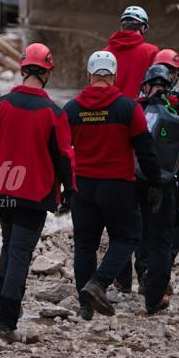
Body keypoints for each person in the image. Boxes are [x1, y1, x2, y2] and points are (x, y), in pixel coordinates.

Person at [0, 43, 75, 342]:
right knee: (19, 254)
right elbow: (64, 157)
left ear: (23, 69)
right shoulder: (54, 112)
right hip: (35, 195)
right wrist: (70, 191)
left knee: (10, 246)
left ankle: (5, 307)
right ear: (48, 73)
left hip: (5, 190)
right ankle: (5, 322)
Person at [63, 51, 161, 319]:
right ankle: (98, 283)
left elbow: (61, 151)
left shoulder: (72, 109)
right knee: (127, 236)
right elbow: (146, 150)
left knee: (85, 245)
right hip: (117, 185)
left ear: (89, 76)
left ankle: (85, 306)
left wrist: (63, 187)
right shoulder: (128, 108)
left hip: (82, 185)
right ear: (115, 77)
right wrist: (155, 182)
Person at [131, 65, 179, 313]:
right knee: (162, 240)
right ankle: (154, 297)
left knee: (138, 232)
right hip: (165, 185)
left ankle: (139, 275)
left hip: (136, 182)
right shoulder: (177, 113)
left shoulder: (137, 109)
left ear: (146, 85)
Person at [104, 5, 159, 99]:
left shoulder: (105, 53)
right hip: (140, 110)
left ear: (122, 27)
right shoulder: (152, 52)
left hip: (110, 109)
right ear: (143, 28)